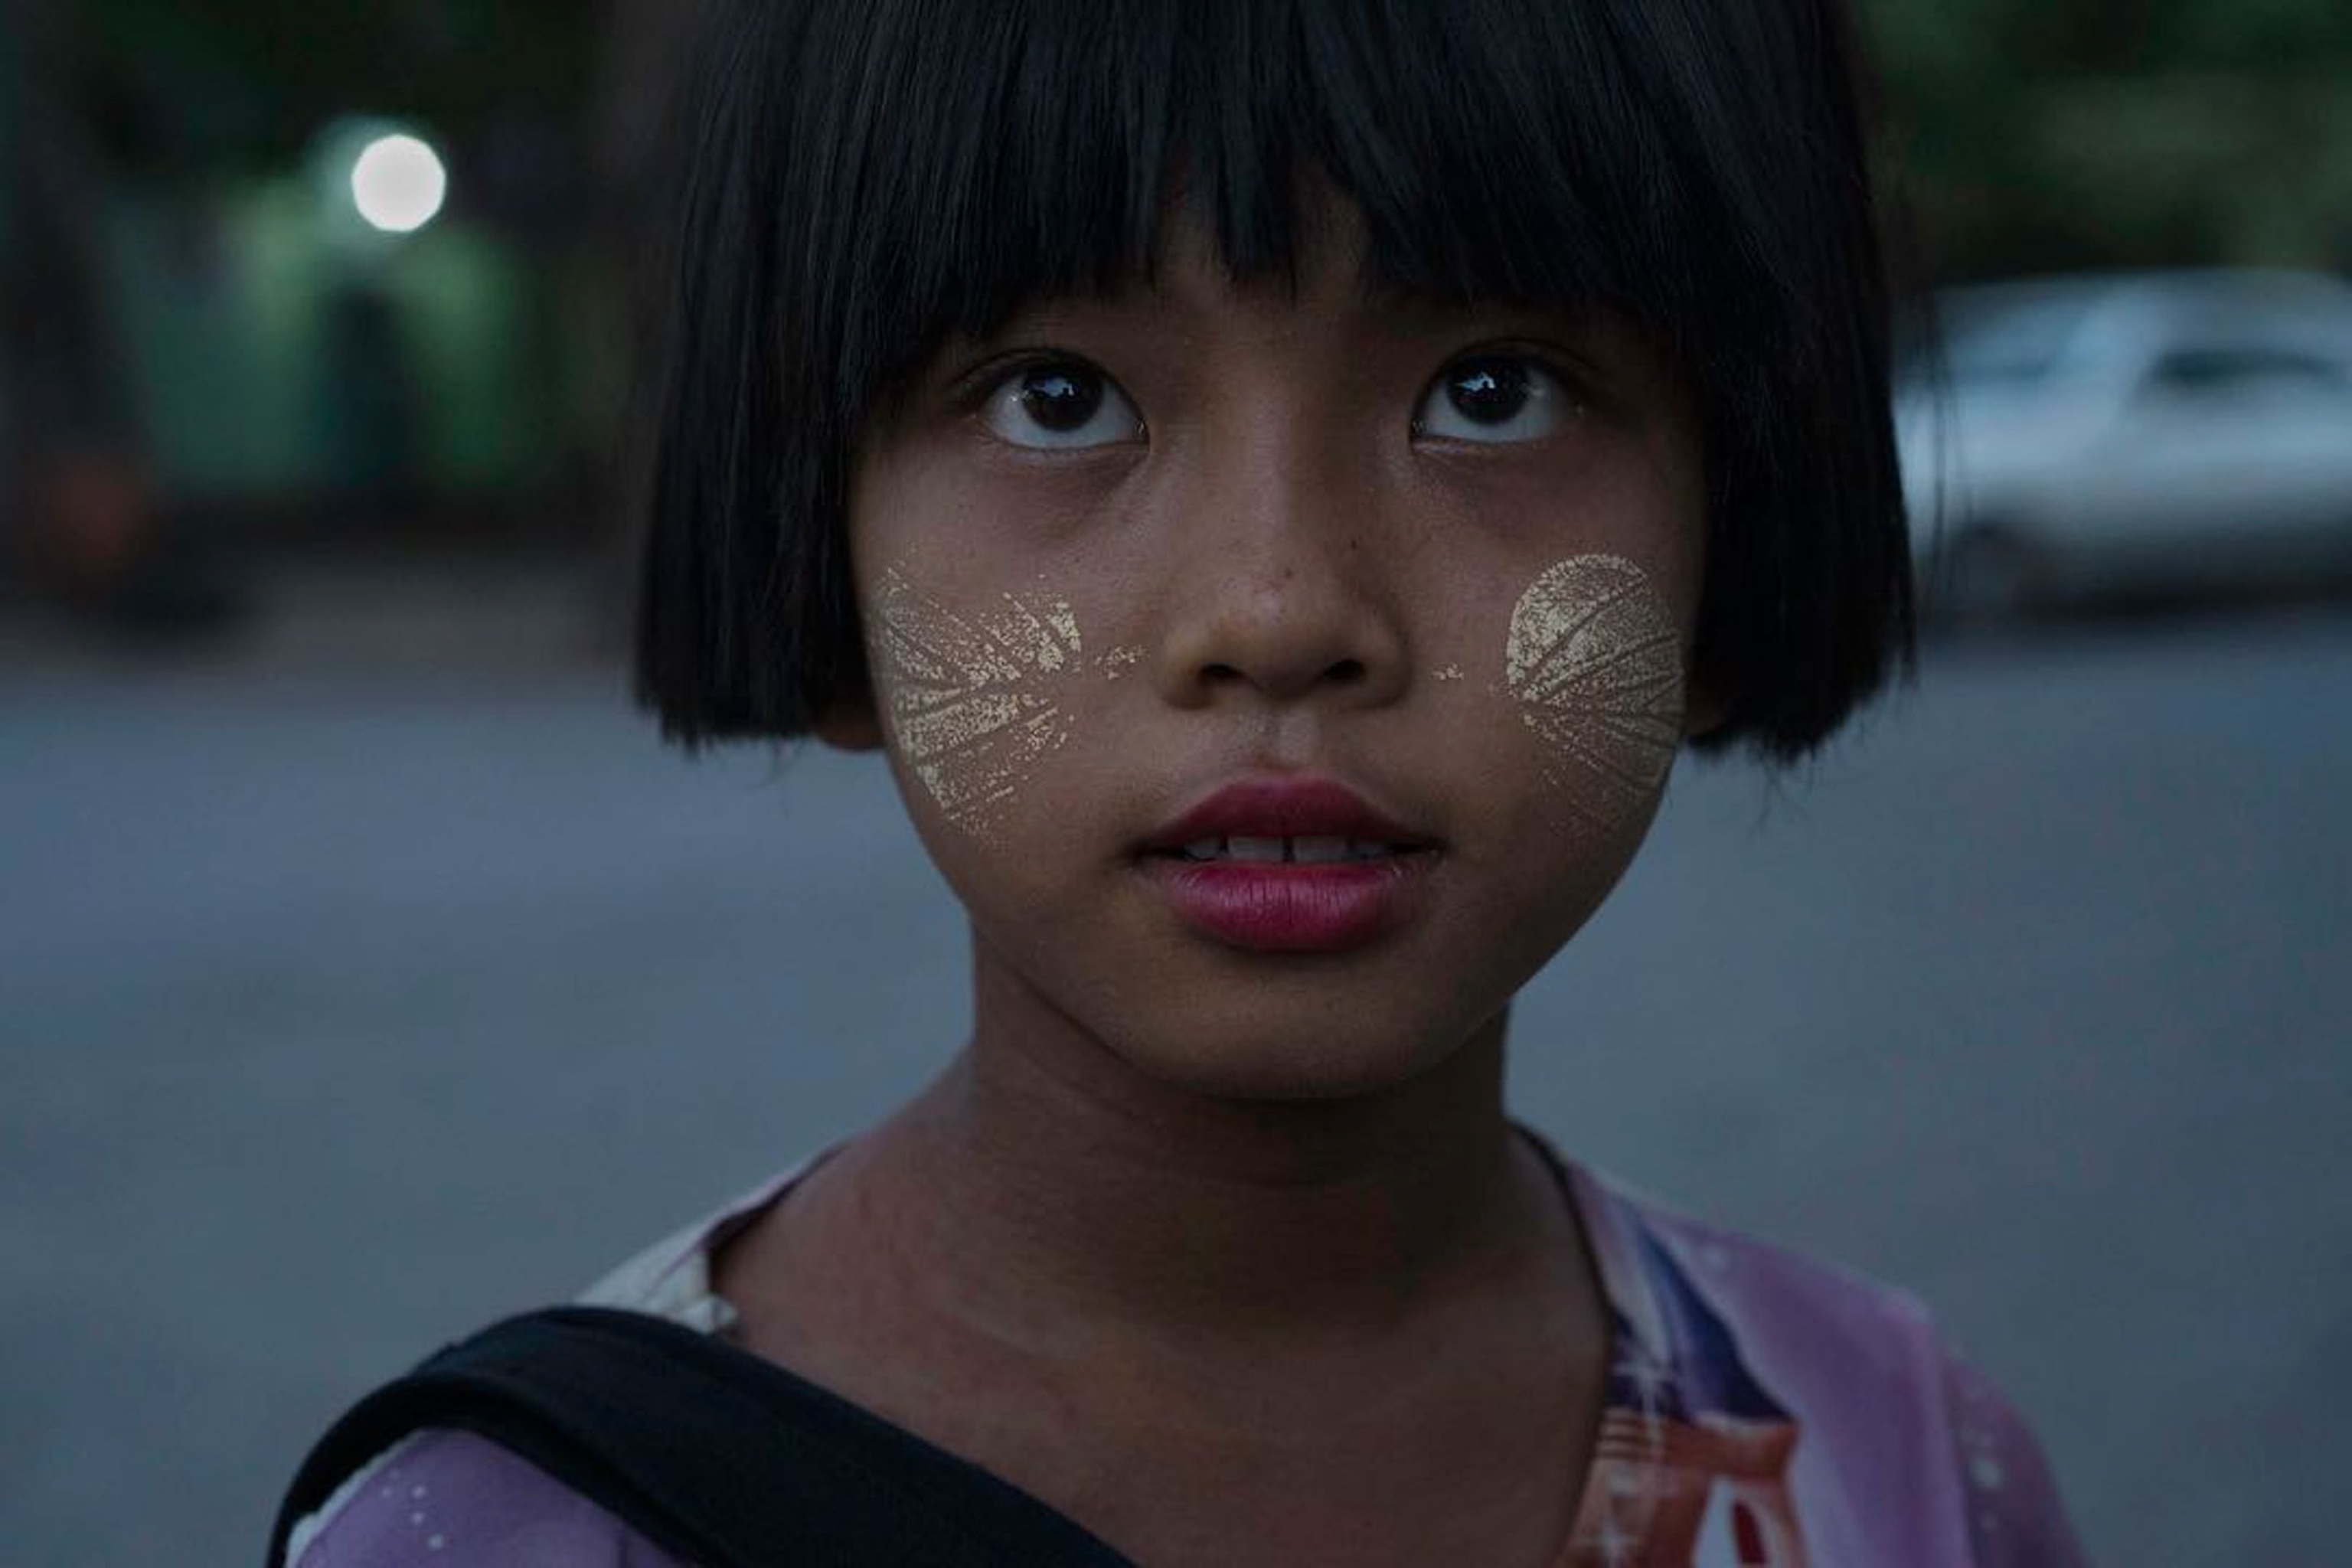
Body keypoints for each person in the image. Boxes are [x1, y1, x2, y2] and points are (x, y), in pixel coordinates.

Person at [279, 0, 2086, 1562]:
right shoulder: (527, 1528)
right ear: (826, 560)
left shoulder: (1910, 1472)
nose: (1281, 611)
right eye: (1056, 398)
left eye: (1497, 391)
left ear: (1733, 526)